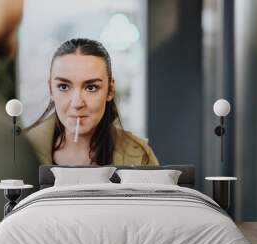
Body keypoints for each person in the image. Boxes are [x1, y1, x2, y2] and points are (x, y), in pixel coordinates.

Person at [24, 38, 159, 166]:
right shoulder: (21, 151)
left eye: (91, 88)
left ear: (110, 91)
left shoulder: (141, 157)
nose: (77, 103)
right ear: (51, 90)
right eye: (64, 87)